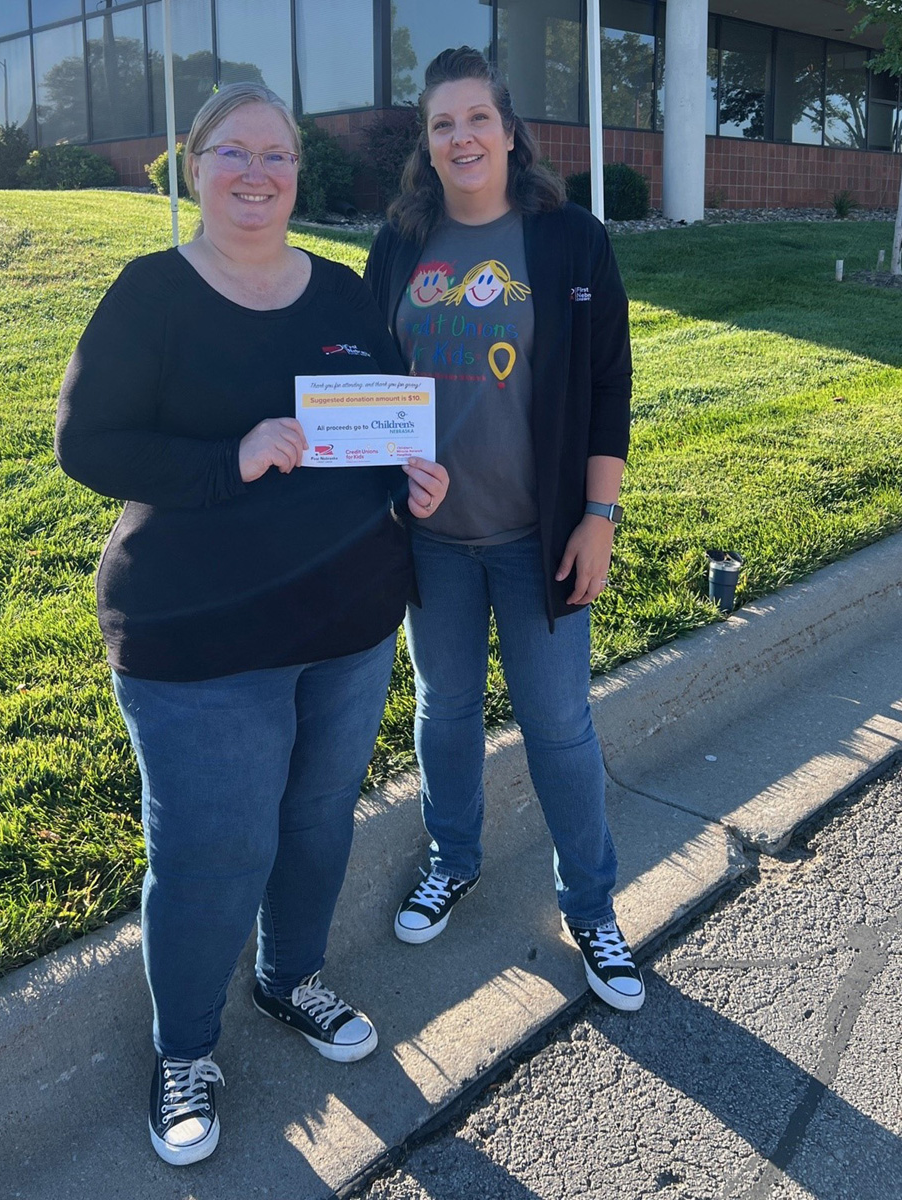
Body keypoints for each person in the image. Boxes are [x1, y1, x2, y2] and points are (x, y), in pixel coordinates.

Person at [55, 83, 448, 1167]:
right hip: (198, 632)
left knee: (320, 820)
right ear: (196, 165)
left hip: (349, 619)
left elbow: (376, 418)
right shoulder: (151, 295)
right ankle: (185, 1048)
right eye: (235, 153)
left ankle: (290, 978)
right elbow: (89, 445)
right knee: (212, 848)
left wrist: (411, 482)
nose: (258, 173)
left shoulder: (342, 294)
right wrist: (226, 460)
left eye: (277, 155)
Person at [364, 47, 645, 1013]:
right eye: (442, 125)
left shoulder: (568, 239)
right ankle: (454, 859)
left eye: (476, 118)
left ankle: (593, 905)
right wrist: (391, 472)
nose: (462, 137)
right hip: (432, 546)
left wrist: (597, 519)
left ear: (509, 128)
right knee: (444, 714)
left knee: (559, 728)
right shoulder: (402, 242)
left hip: (539, 539)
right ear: (427, 145)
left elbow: (609, 383)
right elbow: (369, 387)